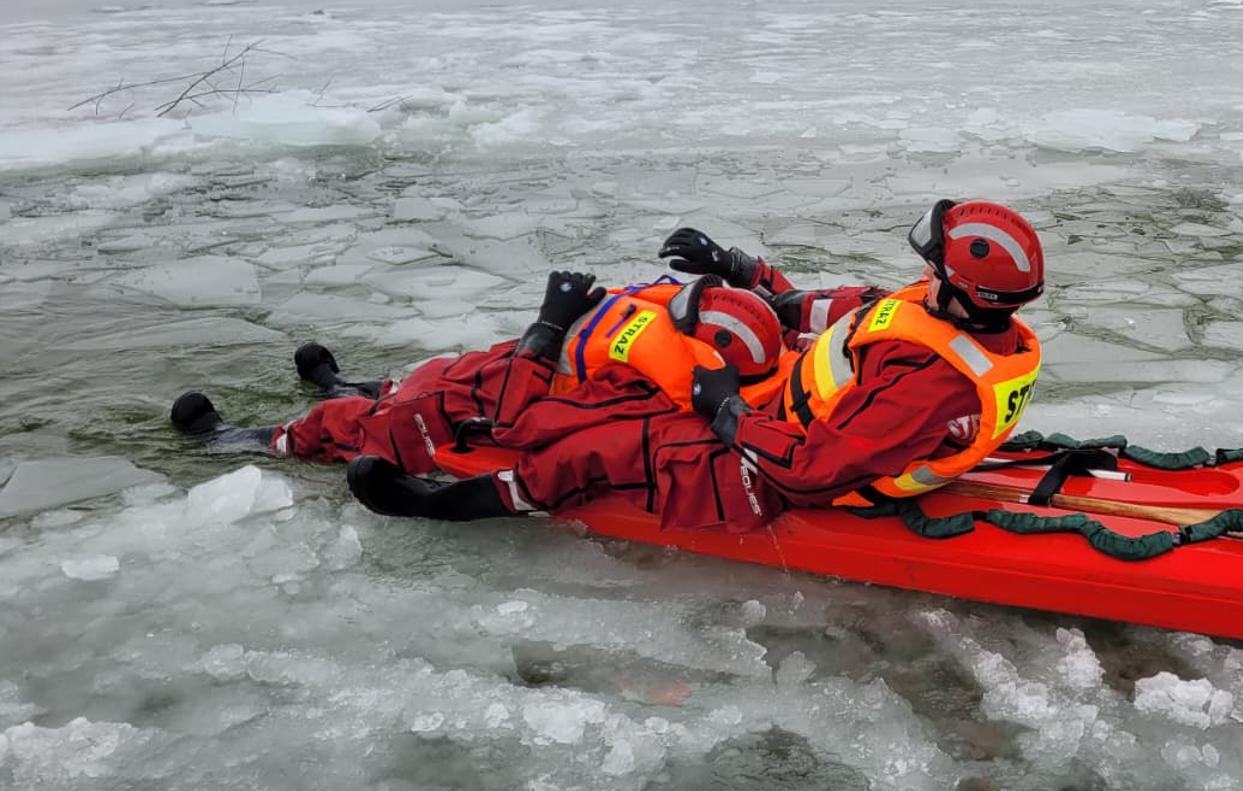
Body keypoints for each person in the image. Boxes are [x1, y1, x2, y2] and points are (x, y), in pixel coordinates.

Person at [176, 199, 1047, 531]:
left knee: (601, 436)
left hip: (776, 457)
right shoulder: (943, 314)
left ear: (957, 284)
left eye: (933, 261)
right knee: (519, 374)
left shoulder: (932, 380)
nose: (921, 269)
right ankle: (369, 395)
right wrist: (742, 274)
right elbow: (833, 314)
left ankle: (448, 499)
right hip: (778, 395)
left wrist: (720, 410)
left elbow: (820, 471)